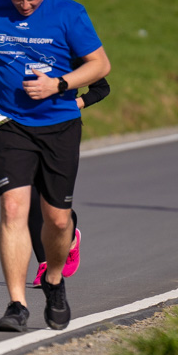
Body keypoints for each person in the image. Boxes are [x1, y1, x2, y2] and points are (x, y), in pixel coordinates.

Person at [0, 0, 110, 332]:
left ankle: (54, 281)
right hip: (8, 124)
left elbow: (99, 65)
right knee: (12, 210)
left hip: (59, 125)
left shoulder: (69, 13)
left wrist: (58, 84)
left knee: (57, 220)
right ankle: (16, 305)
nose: (24, 5)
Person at [30, 70, 110, 287]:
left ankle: (70, 238)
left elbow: (102, 88)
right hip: (24, 132)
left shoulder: (66, 51)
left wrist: (77, 103)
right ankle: (44, 264)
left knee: (53, 204)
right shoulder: (19, 49)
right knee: (30, 199)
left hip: (61, 133)